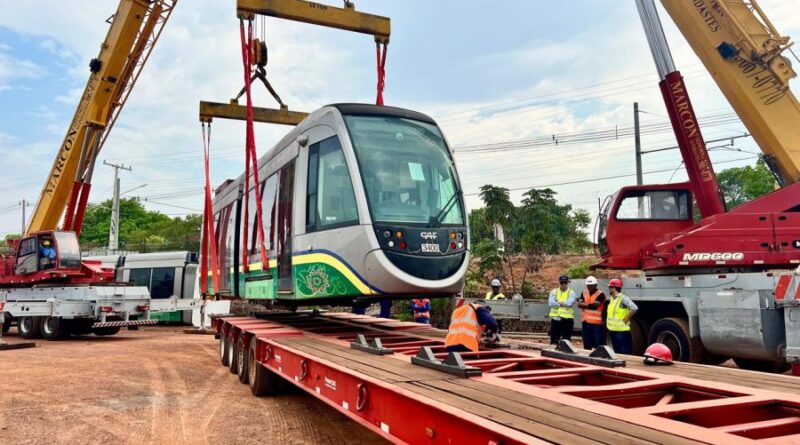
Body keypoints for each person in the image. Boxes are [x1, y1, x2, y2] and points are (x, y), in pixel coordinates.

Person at [606, 278, 638, 354]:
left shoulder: (623, 298)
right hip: (613, 330)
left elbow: (634, 308)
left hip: (621, 332)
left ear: (613, 288)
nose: (609, 289)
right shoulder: (612, 299)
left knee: (623, 352)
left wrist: (626, 319)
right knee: (617, 353)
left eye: (610, 287)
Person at [577, 275, 607, 350]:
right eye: (588, 285)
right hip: (586, 322)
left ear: (595, 285)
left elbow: (594, 306)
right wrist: (587, 305)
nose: (589, 287)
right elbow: (579, 305)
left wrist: (584, 304)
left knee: (598, 344)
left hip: (596, 324)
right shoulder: (584, 292)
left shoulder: (600, 294)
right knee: (587, 344)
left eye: (591, 285)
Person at [548, 274, 576, 345]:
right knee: (554, 341)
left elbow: (569, 303)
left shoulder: (571, 292)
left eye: (565, 282)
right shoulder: (554, 292)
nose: (563, 284)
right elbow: (551, 303)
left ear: (568, 283)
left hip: (567, 320)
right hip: (556, 319)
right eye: (561, 282)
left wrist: (557, 301)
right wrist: (561, 303)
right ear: (559, 282)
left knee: (566, 342)